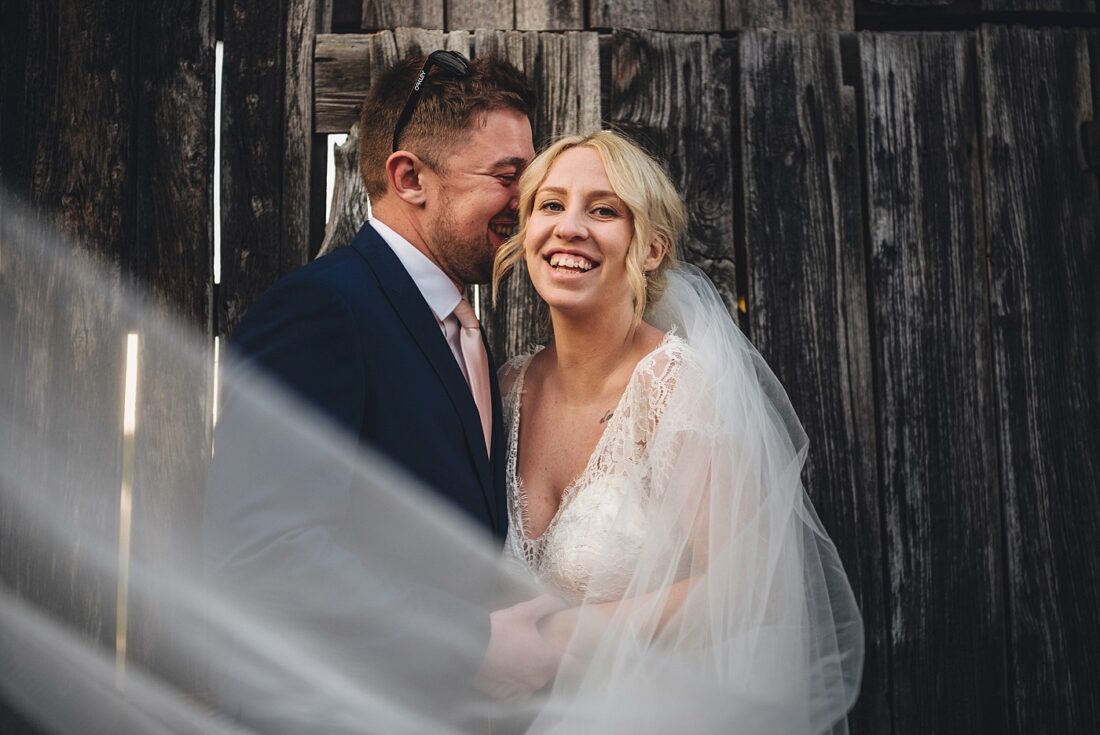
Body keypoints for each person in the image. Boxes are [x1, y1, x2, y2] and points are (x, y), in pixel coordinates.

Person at [203, 52, 564, 726]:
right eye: (508, 177)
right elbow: (263, 552)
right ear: (409, 178)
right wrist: (475, 644)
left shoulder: (464, 330)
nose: (531, 203)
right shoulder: (321, 311)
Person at [491, 131, 865, 733]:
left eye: (605, 210)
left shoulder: (676, 389)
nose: (569, 227)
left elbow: (752, 589)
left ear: (650, 251)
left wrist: (567, 635)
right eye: (550, 205)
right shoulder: (508, 390)